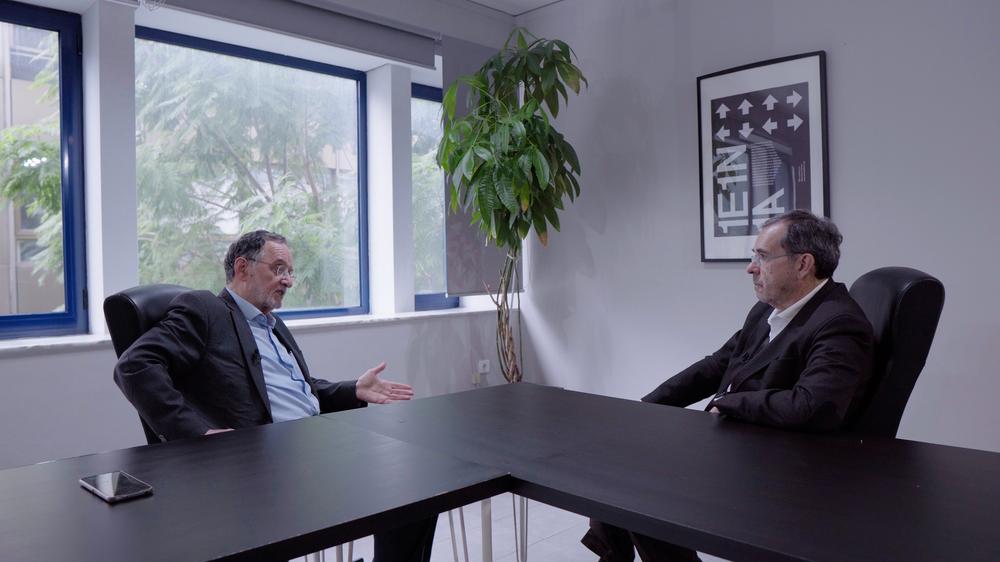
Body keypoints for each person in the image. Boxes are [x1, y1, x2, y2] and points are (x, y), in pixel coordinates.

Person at [114, 230, 435, 562]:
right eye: (279, 269)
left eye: (290, 272)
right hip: (265, 465)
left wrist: (353, 388)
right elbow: (135, 366)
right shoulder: (206, 308)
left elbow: (298, 390)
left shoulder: (272, 324)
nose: (289, 281)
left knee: (418, 481)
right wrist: (196, 434)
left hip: (315, 447)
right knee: (408, 482)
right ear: (243, 268)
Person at [582, 210, 875, 562]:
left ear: (803, 265)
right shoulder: (767, 309)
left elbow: (812, 406)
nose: (751, 268)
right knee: (622, 460)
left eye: (762, 257)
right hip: (740, 440)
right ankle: (613, 554)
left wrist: (728, 403)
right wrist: (647, 406)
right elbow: (718, 364)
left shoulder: (839, 323)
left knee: (640, 482)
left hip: (781, 464)